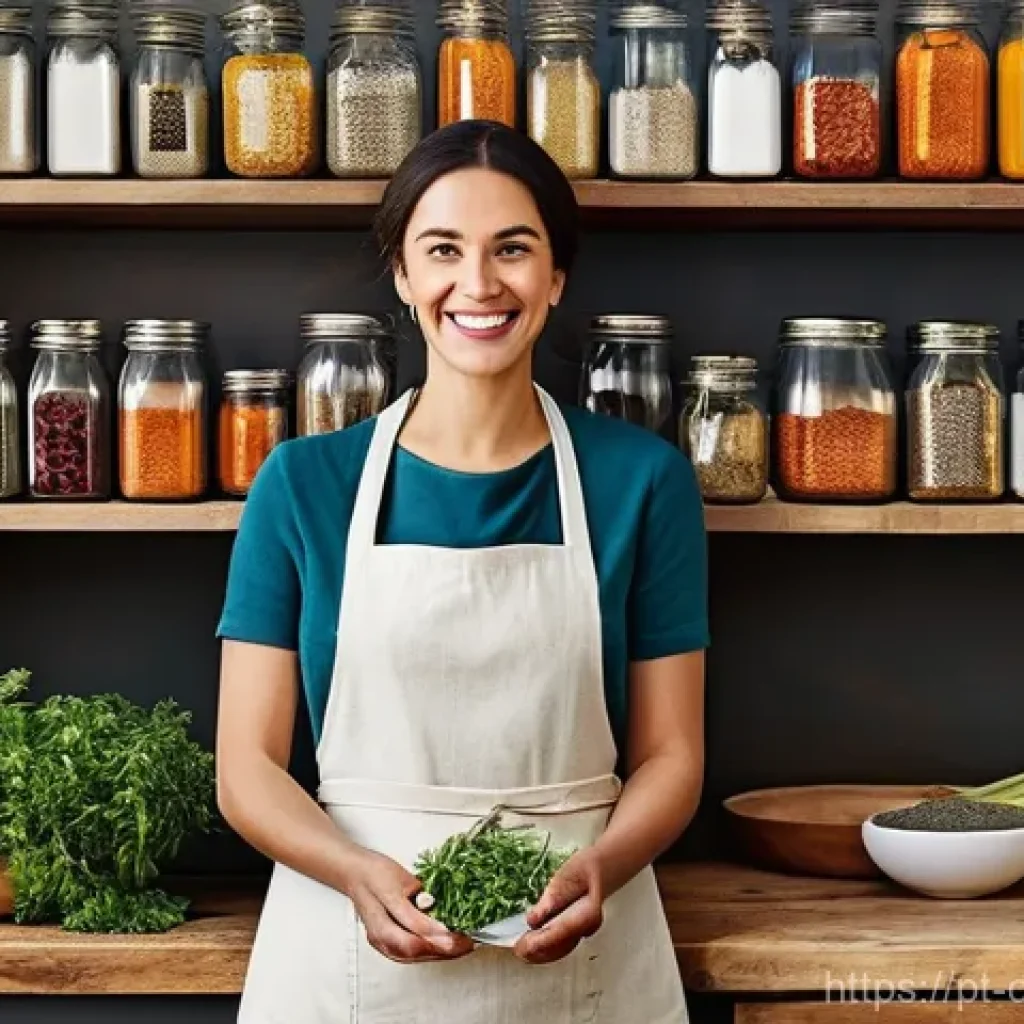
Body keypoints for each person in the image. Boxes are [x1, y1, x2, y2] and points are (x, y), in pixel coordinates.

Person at [215, 120, 708, 1023]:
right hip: (345, 945)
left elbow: (672, 754)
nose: (478, 284)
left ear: (555, 276)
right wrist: (353, 871)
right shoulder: (302, 484)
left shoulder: (642, 482)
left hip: (584, 939)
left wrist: (601, 863)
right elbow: (245, 766)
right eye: (442, 249)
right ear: (402, 275)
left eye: (512, 249)